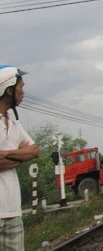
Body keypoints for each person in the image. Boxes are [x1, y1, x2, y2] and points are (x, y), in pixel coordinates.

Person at [0, 65, 39, 251]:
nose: (23, 92)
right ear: (8, 90)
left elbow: (34, 150)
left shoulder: (14, 123)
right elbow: (26, 153)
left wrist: (6, 155)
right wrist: (18, 158)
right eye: (20, 87)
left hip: (13, 212)